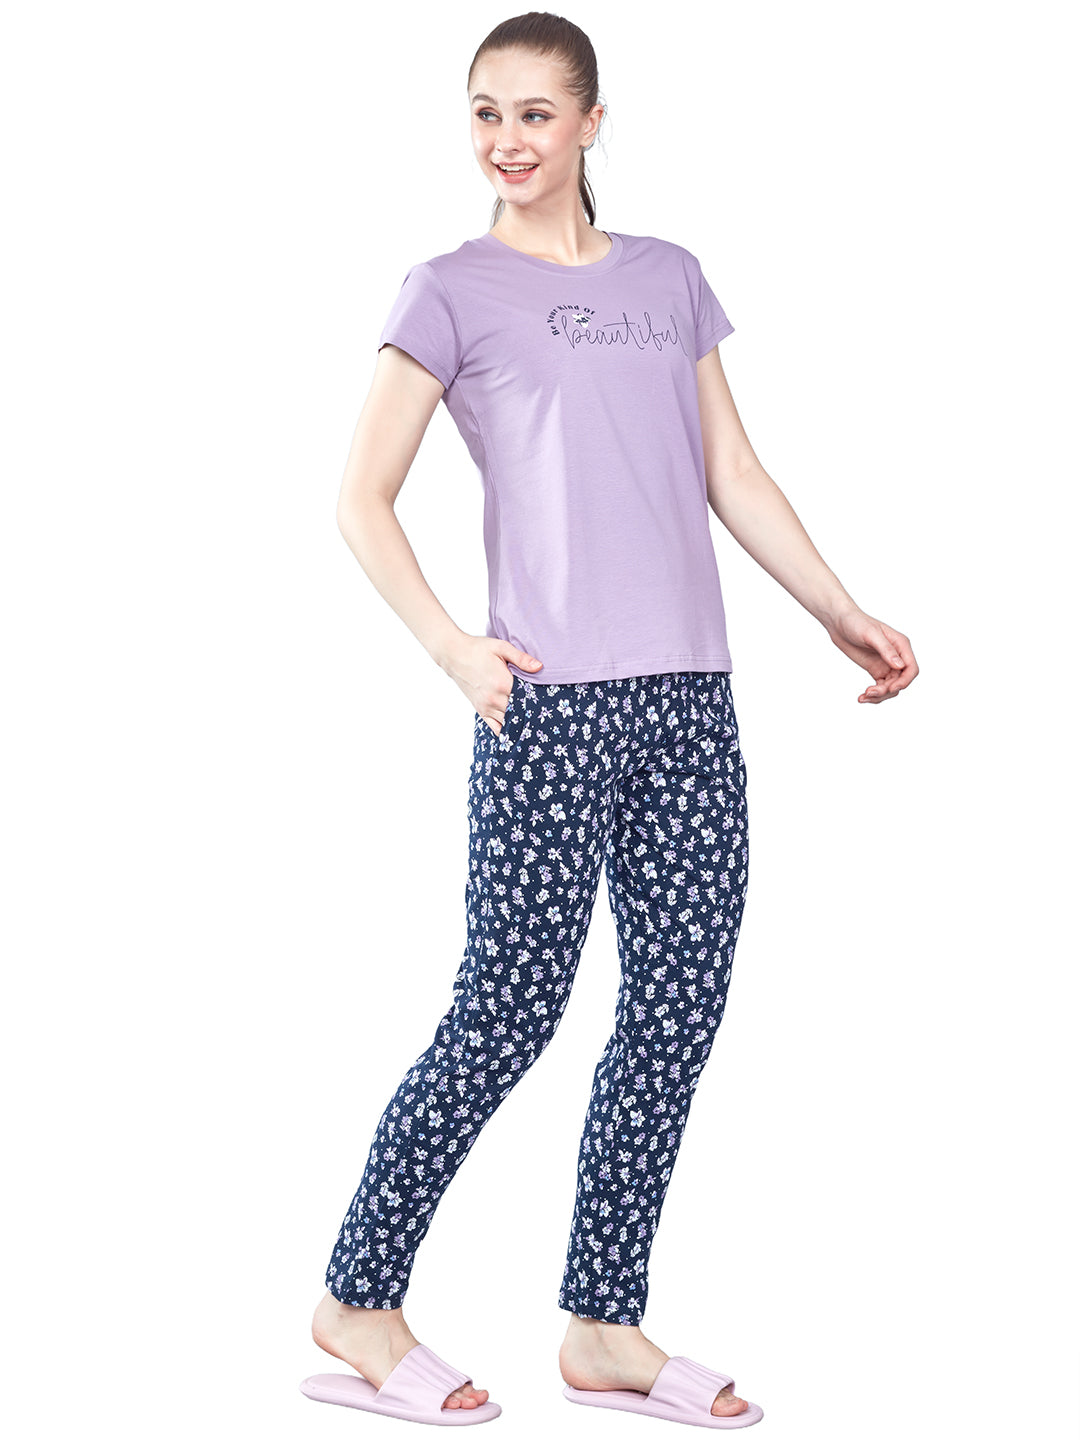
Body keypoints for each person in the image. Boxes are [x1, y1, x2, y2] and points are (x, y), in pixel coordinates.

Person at [300, 10, 917, 1431]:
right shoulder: (448, 291)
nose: (506, 140)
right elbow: (359, 499)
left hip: (690, 701)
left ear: (591, 122)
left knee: (678, 1004)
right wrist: (456, 650)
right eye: (485, 113)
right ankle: (357, 1299)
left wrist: (836, 607)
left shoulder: (668, 276)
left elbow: (730, 469)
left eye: (535, 113)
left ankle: (603, 1325)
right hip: (548, 704)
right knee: (508, 1008)